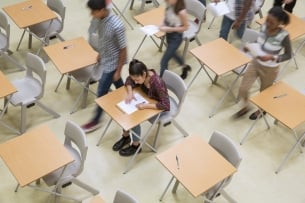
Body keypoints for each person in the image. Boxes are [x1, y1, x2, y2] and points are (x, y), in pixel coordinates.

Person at [234, 6, 292, 120]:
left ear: (280, 22)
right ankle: (246, 106)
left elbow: (288, 55)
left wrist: (272, 57)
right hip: (256, 63)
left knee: (264, 93)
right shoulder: (264, 26)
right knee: (243, 88)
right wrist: (250, 46)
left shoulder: (284, 36)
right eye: (267, 20)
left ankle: (262, 110)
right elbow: (259, 41)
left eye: (272, 22)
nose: (268, 24)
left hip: (270, 69)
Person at [82, 0, 127, 133]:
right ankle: (128, 98)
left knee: (101, 92)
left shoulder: (117, 26)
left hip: (113, 63)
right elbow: (103, 39)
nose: (91, 14)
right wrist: (101, 54)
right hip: (105, 59)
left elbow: (123, 49)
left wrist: (118, 70)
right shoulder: (99, 20)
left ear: (102, 10)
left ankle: (95, 121)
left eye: (93, 12)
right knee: (119, 85)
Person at [113, 59, 170, 156]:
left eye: (137, 80)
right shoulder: (141, 75)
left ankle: (136, 146)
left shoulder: (157, 83)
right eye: (134, 79)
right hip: (147, 99)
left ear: (144, 74)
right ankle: (126, 136)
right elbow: (128, 80)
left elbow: (166, 105)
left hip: (159, 107)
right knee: (126, 112)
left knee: (134, 119)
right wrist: (130, 93)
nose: (136, 82)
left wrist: (144, 106)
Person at [159, 0, 191, 80]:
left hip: (176, 37)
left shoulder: (181, 12)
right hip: (169, 35)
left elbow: (186, 27)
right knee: (173, 54)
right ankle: (185, 67)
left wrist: (170, 28)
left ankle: (162, 81)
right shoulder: (169, 5)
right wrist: (163, 23)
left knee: (164, 61)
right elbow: (167, 17)